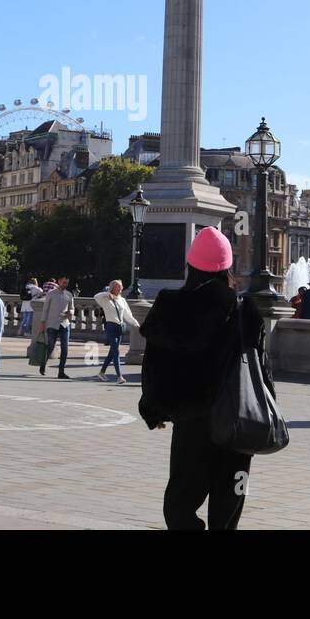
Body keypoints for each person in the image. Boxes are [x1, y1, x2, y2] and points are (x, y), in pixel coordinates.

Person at [139, 226, 268, 530]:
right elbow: (260, 368)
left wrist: (153, 408)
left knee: (179, 503)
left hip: (192, 422)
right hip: (238, 421)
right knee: (229, 502)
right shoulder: (243, 309)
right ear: (227, 268)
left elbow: (154, 366)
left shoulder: (171, 306)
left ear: (191, 265)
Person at [94, 279, 139, 383]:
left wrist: (136, 324)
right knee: (116, 351)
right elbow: (96, 296)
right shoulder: (105, 299)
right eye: (118, 287)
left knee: (112, 352)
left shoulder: (122, 300)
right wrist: (107, 294)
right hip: (110, 326)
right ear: (112, 288)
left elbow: (128, 315)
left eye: (121, 287)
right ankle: (119, 377)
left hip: (120, 327)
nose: (120, 289)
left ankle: (101, 373)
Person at [39, 275, 74, 379]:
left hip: (64, 324)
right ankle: (43, 364)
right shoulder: (51, 294)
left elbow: (72, 308)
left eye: (66, 283)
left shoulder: (69, 295)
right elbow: (45, 309)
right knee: (50, 346)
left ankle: (61, 372)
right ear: (59, 281)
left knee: (65, 348)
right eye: (63, 282)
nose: (65, 284)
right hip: (52, 324)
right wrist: (42, 323)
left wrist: (70, 312)